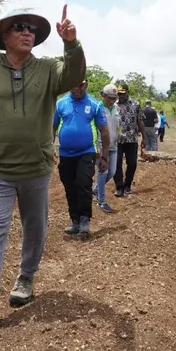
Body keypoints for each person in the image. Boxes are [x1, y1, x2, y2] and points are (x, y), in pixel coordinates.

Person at [0, 6, 85, 333]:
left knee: (35, 227)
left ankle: (25, 277)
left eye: (33, 30)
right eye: (20, 27)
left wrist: (72, 44)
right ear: (4, 36)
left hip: (35, 167)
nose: (28, 33)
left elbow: (75, 75)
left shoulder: (49, 69)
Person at [54, 79, 109, 237]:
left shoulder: (94, 104)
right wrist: (49, 147)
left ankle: (85, 220)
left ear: (86, 85)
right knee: (69, 187)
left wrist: (104, 156)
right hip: (65, 153)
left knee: (84, 183)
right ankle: (75, 221)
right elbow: (53, 126)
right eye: (74, 84)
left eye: (80, 85)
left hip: (86, 152)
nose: (77, 88)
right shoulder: (61, 103)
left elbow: (104, 131)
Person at [113, 83, 147, 197]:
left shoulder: (135, 104)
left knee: (132, 164)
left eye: (122, 93)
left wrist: (144, 137)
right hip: (117, 140)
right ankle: (119, 187)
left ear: (127, 92)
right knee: (116, 164)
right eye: (119, 93)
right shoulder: (113, 105)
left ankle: (127, 184)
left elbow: (140, 121)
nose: (120, 96)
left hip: (132, 139)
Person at [93, 84, 120, 213]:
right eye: (109, 98)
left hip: (114, 146)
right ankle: (101, 201)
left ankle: (96, 189)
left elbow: (117, 125)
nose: (112, 101)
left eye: (114, 98)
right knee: (102, 172)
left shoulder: (116, 108)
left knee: (112, 172)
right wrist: (97, 146)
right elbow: (96, 129)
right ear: (103, 95)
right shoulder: (97, 108)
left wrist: (120, 135)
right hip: (101, 146)